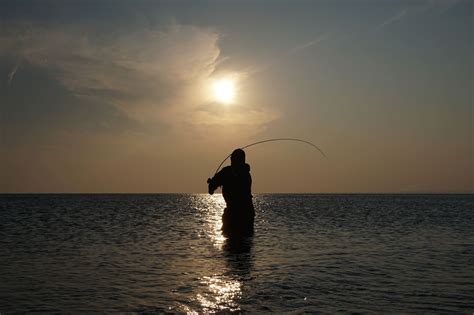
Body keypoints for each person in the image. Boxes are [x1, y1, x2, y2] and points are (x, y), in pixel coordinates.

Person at [207, 148, 255, 237]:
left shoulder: (227, 172)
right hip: (246, 214)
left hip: (235, 214)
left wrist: (212, 184)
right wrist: (213, 184)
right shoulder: (246, 173)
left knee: (230, 242)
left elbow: (211, 189)